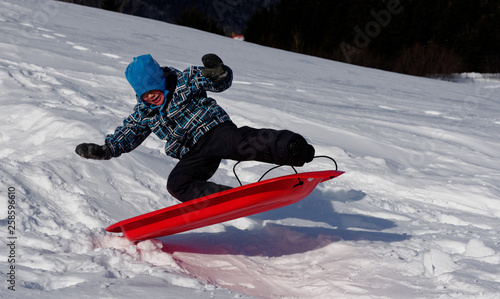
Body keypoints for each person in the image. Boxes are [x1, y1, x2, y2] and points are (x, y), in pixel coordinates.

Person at [75, 54, 315, 202]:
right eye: (145, 95)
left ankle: (291, 147)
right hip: (194, 151)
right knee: (177, 182)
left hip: (214, 130)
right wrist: (106, 150)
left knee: (244, 143)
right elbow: (128, 133)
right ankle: (219, 198)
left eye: (155, 91)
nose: (152, 97)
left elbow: (213, 81)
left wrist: (218, 73)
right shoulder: (145, 112)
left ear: (161, 81)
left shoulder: (184, 81)